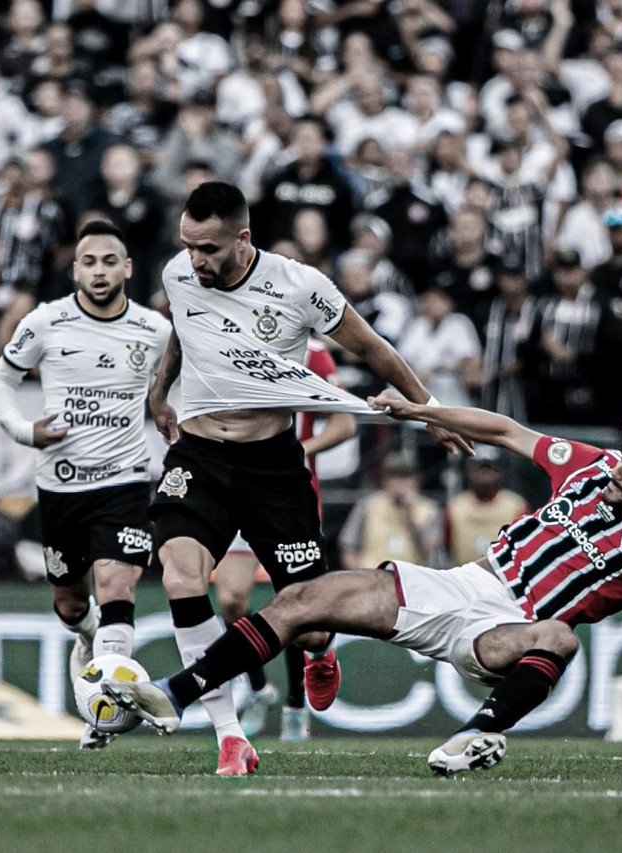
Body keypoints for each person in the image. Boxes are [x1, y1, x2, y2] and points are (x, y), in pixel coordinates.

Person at [108, 392, 622, 784]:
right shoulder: (590, 466)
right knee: (299, 601)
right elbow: (503, 428)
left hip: (506, 629)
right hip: (460, 582)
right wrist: (421, 407)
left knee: (560, 637)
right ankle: (171, 695)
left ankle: (476, 735)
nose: (620, 470)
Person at [146, 181, 469, 776]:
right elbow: (184, 335)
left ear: (243, 240)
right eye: (188, 247)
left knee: (310, 625)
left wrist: (431, 412)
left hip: (273, 466)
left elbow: (373, 348)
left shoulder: (299, 286)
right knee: (181, 574)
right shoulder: (179, 275)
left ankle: (320, 652)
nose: (196, 261)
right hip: (200, 457)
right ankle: (229, 735)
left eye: (209, 249)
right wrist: (158, 392)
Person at [0, 219, 170, 749]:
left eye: (110, 260)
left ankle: (102, 713)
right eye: (89, 262)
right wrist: (26, 430)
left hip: (126, 482)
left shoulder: (154, 332)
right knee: (71, 605)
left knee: (117, 589)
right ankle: (89, 641)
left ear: (127, 268)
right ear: (75, 270)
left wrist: (164, 409)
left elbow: (183, 383)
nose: (100, 271)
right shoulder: (46, 322)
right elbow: (1, 381)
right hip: (60, 488)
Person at [215, 338, 357, 742]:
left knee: (297, 605)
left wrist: (296, 450)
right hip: (237, 489)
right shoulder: (231, 341)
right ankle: (259, 688)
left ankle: (296, 704)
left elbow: (344, 424)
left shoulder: (312, 352)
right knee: (230, 599)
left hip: (291, 496)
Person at [339, 451, 443, 571]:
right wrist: (361, 576)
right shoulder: (368, 505)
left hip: (411, 580)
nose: (399, 483)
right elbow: (348, 548)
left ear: (416, 480)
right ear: (384, 480)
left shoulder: (429, 509)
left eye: (405, 477)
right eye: (394, 477)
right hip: (373, 577)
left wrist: (409, 514)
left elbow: (428, 552)